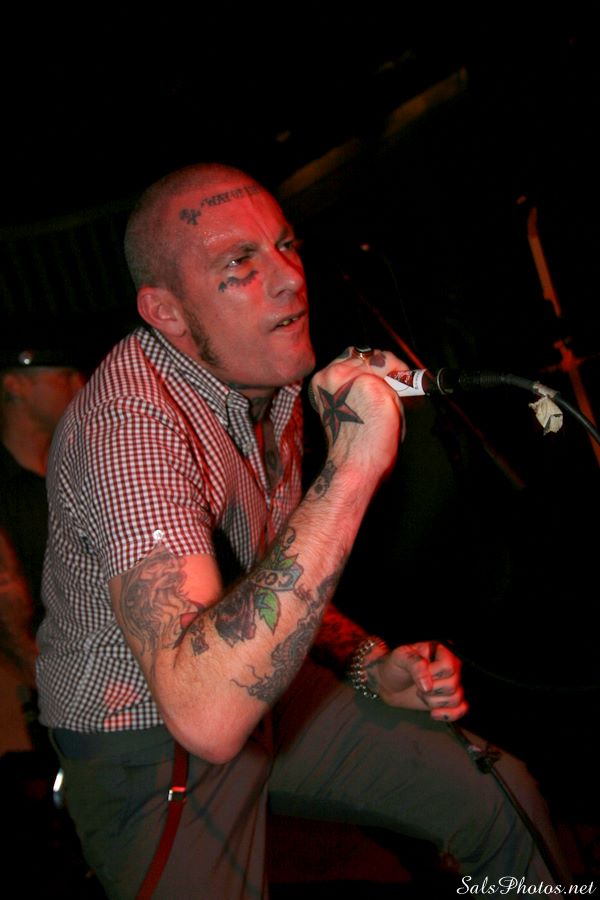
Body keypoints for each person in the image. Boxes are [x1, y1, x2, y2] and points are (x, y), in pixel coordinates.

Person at [36, 162, 572, 899]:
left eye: (285, 246)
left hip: (269, 693)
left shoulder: (272, 380)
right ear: (166, 312)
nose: (290, 278)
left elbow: (273, 576)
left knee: (499, 794)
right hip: (150, 745)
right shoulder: (128, 430)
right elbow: (205, 711)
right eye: (239, 265)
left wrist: (369, 664)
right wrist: (353, 466)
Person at [0, 347, 85, 745]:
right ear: (15, 385)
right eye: (63, 376)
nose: (79, 386)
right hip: (35, 707)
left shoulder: (80, 470)